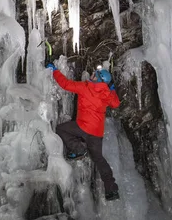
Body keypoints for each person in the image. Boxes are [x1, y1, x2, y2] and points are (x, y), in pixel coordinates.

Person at [46, 62, 121, 201]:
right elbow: (116, 103)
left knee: (61, 129)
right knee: (99, 159)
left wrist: (55, 70)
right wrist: (111, 89)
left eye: (94, 74)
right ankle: (112, 190)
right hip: (97, 132)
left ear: (97, 78)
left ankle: (79, 149)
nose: (91, 75)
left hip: (83, 127)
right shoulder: (106, 94)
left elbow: (66, 84)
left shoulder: (85, 87)